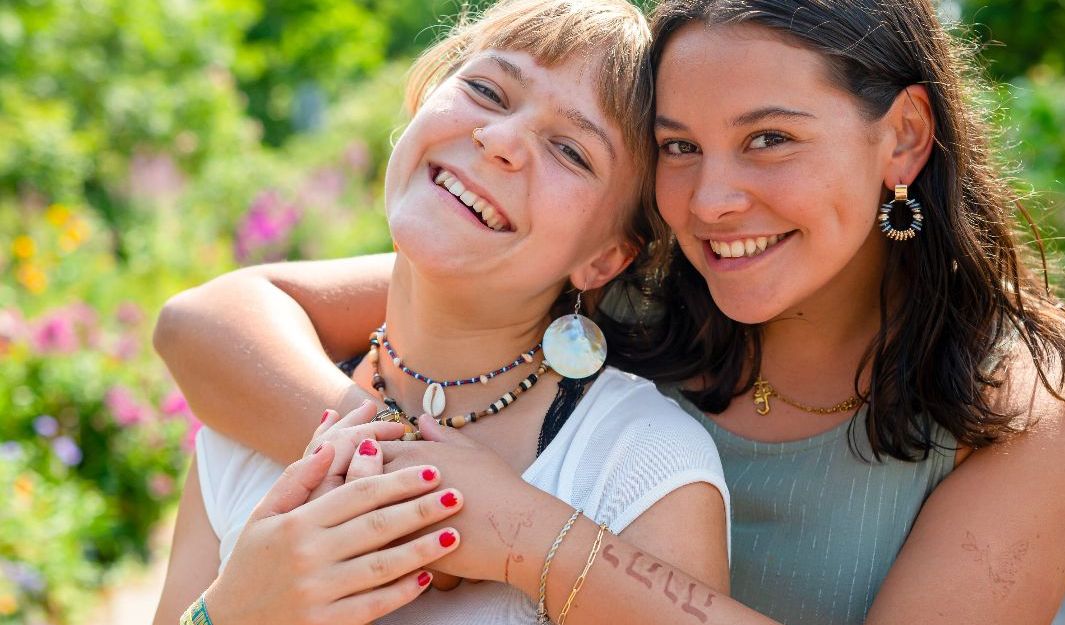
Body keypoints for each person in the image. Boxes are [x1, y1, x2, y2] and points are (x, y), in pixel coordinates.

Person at [156, 0, 1065, 623]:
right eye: (678, 147)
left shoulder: (1028, 387)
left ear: (903, 136)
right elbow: (210, 321)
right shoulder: (618, 296)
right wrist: (395, 484)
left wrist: (518, 531)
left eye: (770, 139)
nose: (711, 202)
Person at [151, 1, 732, 624]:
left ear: (605, 259)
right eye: (486, 91)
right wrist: (229, 611)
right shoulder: (246, 413)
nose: (499, 140)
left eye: (570, 150)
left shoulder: (641, 466)